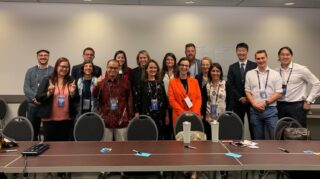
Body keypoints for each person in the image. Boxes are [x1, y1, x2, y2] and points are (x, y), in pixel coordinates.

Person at [275, 47, 320, 127]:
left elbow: (317, 83)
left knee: (298, 133)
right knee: (281, 132)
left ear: (291, 56)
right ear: (279, 57)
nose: (285, 57)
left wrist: (309, 100)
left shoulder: (301, 69)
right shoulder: (275, 71)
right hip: (280, 105)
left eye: (287, 54)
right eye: (282, 55)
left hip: (297, 107)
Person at [36, 57, 78, 141]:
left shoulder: (71, 80)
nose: (64, 69)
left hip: (67, 120)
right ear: (56, 67)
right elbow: (38, 97)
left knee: (65, 147)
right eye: (62, 66)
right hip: (49, 120)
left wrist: (73, 93)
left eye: (66, 67)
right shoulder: (47, 79)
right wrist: (49, 93)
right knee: (50, 146)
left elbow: (77, 99)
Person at [245, 50, 282, 140]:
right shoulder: (249, 74)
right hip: (255, 111)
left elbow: (279, 93)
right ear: (255, 60)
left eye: (263, 58)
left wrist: (265, 103)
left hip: (271, 110)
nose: (261, 60)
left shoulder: (275, 74)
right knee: (258, 139)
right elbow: (247, 91)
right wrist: (254, 104)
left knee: (275, 137)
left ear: (267, 58)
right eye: (258, 58)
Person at [93, 59, 133, 141]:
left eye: (115, 68)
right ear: (107, 68)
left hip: (121, 121)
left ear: (118, 69)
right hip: (106, 121)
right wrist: (96, 85)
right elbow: (95, 96)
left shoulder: (125, 83)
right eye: (110, 67)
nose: (113, 70)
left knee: (122, 149)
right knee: (106, 149)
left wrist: (130, 116)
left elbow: (129, 100)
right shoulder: (101, 83)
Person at [227, 42, 257, 139]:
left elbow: (257, 83)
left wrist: (249, 97)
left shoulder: (254, 65)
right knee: (238, 126)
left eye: (243, 51)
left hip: (252, 102)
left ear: (247, 52)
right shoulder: (232, 67)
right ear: (236, 52)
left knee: (254, 126)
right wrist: (240, 97)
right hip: (238, 102)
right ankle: (238, 144)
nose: (241, 53)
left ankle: (254, 144)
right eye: (239, 51)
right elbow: (230, 85)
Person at [23, 49, 54, 141]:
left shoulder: (53, 71)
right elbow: (26, 88)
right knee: (33, 132)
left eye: (45, 55)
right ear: (37, 57)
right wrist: (36, 99)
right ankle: (32, 149)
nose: (43, 57)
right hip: (33, 106)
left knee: (49, 132)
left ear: (48, 57)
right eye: (41, 55)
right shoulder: (30, 71)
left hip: (48, 105)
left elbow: (55, 88)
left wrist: (42, 99)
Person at [134, 60, 168, 140]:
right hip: (146, 115)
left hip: (159, 116)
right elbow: (137, 99)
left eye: (155, 68)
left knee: (159, 137)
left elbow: (165, 99)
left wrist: (167, 115)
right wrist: (137, 113)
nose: (153, 70)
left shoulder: (160, 82)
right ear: (146, 69)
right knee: (147, 136)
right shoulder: (141, 83)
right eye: (151, 67)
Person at [202, 63, 233, 140]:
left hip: (223, 117)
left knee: (222, 139)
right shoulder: (206, 86)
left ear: (220, 73)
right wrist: (202, 115)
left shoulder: (226, 84)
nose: (215, 73)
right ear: (210, 72)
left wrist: (228, 114)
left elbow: (231, 100)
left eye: (217, 71)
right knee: (209, 140)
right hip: (209, 118)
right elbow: (203, 102)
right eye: (213, 71)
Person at [168, 57, 202, 126]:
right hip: (179, 115)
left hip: (194, 115)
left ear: (189, 67)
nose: (184, 67)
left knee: (194, 136)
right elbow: (172, 100)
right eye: (182, 65)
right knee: (180, 136)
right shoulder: (172, 82)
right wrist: (183, 113)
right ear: (178, 66)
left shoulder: (194, 81)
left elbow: (198, 98)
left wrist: (194, 112)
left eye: (186, 66)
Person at [161, 53, 177, 140]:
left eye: (171, 59)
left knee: (175, 128)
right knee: (166, 128)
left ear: (174, 61)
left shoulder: (177, 73)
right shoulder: (161, 73)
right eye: (168, 59)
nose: (169, 61)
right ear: (165, 61)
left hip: (176, 104)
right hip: (164, 103)